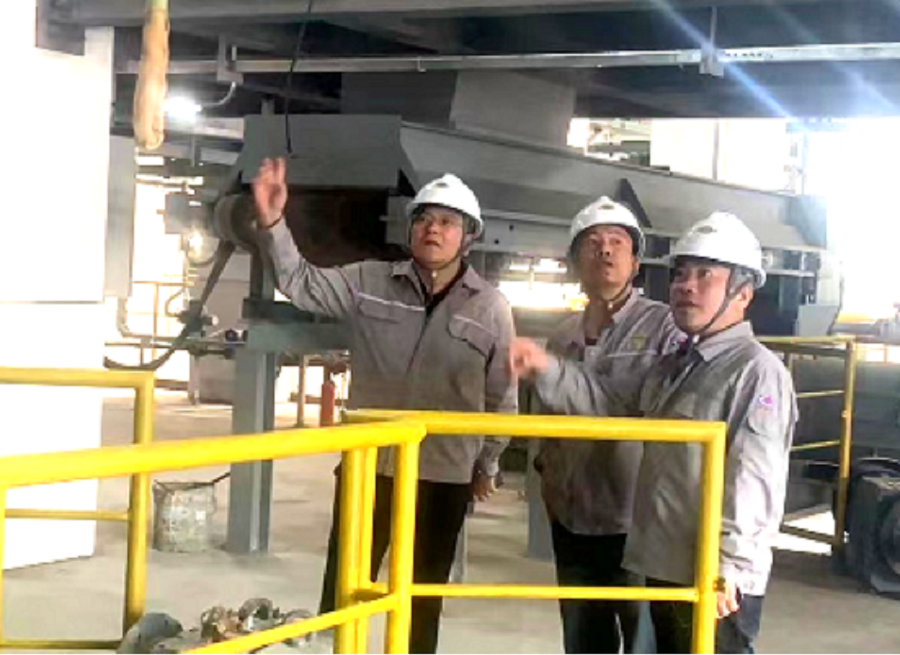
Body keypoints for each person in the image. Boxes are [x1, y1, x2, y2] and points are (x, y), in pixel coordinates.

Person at [252, 158, 518, 653]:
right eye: (423, 219)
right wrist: (272, 222)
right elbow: (302, 283)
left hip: (443, 474)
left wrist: (488, 462)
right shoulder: (369, 281)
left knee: (421, 599)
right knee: (343, 591)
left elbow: (501, 394)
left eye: (447, 222)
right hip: (369, 468)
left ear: (468, 237)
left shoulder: (490, 307)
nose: (432, 229)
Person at [511, 212, 797, 654]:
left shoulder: (755, 371)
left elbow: (754, 479)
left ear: (743, 292)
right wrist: (546, 369)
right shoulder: (676, 367)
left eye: (705, 275)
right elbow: (610, 406)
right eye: (681, 274)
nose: (686, 286)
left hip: (711, 582)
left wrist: (730, 570)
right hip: (667, 567)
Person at [534, 197, 681, 654]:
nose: (605, 250)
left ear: (635, 262)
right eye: (592, 243)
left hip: (634, 519)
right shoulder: (563, 336)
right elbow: (548, 418)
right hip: (571, 515)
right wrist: (546, 473)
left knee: (642, 640)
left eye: (617, 241)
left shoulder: (664, 328)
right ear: (575, 261)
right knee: (583, 640)